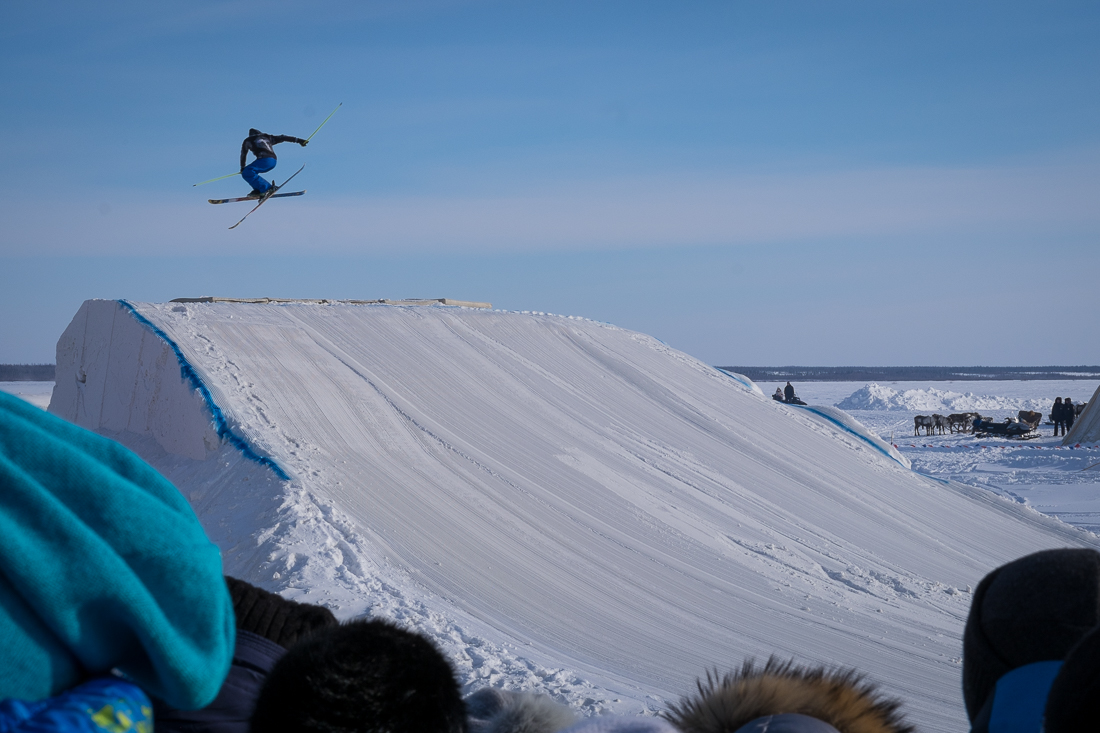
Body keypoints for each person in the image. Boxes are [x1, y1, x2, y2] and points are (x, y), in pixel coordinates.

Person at [240, 128, 308, 198]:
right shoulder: (267, 137)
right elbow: (283, 138)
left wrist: (242, 167)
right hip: (273, 161)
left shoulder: (248, 140)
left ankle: (267, 188)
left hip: (264, 160)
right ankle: (259, 189)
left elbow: (243, 154)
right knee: (250, 172)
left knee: (247, 172)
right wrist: (299, 140)